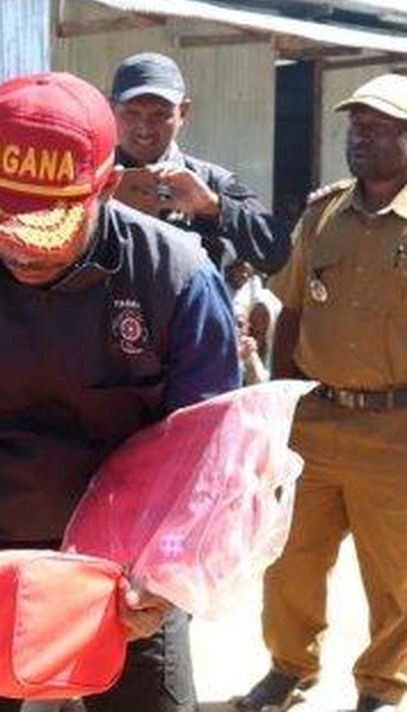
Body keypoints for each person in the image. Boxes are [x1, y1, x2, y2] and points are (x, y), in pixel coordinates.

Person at [0, 71, 241, 712]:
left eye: (41, 229)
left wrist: (164, 573)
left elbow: (207, 459)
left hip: (125, 576)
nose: (17, 248)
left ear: (105, 186)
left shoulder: (175, 279)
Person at [235, 73, 407, 712]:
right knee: (290, 560)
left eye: (380, 129)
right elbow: (294, 312)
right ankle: (288, 667)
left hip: (396, 431)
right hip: (318, 419)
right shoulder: (322, 215)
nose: (362, 140)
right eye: (356, 128)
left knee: (395, 575)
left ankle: (381, 687)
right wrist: (282, 404)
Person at [109, 51, 291, 276]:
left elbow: (277, 251)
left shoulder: (210, 181)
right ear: (111, 109)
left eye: (160, 114)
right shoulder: (89, 179)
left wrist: (213, 207)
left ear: (183, 112)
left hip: (188, 309)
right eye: (132, 113)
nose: (144, 127)